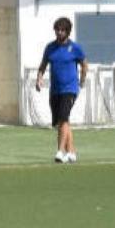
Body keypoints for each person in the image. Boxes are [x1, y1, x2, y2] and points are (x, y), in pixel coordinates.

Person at [36, 17, 88, 163]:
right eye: (57, 30)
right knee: (61, 121)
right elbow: (43, 65)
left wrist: (82, 80)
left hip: (70, 88)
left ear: (68, 32)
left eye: (62, 30)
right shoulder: (50, 48)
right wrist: (39, 79)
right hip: (55, 90)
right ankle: (71, 152)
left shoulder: (75, 48)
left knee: (63, 117)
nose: (59, 32)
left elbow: (84, 64)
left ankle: (60, 151)